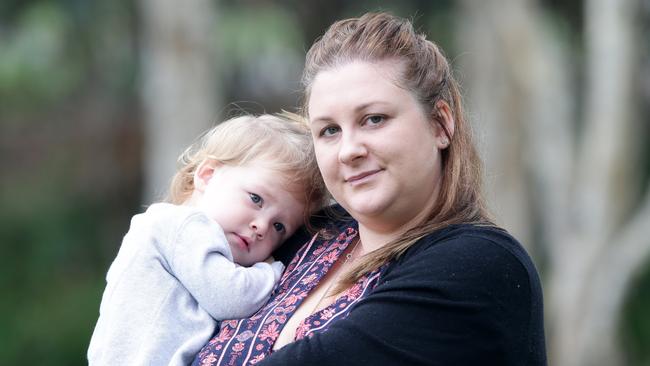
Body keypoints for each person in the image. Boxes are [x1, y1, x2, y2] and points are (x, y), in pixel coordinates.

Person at [193, 12, 547, 366]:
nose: (349, 150)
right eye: (330, 130)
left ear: (440, 124)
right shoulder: (308, 234)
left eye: (373, 119)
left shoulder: (480, 266)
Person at [87, 114, 326, 366]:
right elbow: (233, 298)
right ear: (207, 175)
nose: (261, 226)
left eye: (280, 226)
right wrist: (271, 269)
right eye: (256, 199)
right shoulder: (184, 227)